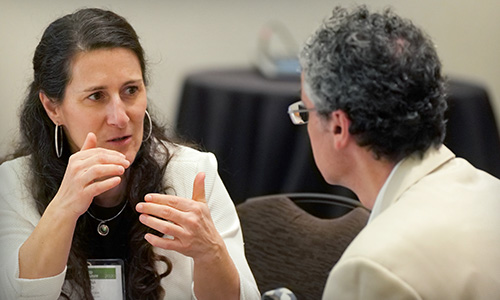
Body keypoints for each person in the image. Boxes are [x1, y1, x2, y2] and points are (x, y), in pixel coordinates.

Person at [0, 8, 259, 300]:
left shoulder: (192, 173)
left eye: (131, 91)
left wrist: (209, 253)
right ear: (53, 108)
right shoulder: (14, 185)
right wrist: (64, 207)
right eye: (96, 96)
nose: (120, 117)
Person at [288, 5, 500, 299]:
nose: (305, 123)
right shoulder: (492, 193)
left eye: (305, 110)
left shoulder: (371, 268)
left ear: (338, 127)